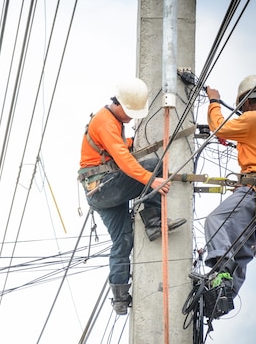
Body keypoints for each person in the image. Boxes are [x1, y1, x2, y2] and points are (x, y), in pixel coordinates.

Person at [78, 77, 186, 315]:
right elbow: (124, 160)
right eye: (129, 112)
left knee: (123, 240)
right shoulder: (106, 122)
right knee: (154, 165)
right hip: (105, 187)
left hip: (98, 192)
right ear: (118, 104)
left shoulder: (110, 121)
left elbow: (115, 148)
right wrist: (151, 179)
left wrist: (129, 142)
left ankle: (119, 297)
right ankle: (153, 221)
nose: (131, 117)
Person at [204, 75, 256, 296]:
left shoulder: (254, 119)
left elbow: (218, 127)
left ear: (247, 102)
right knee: (243, 248)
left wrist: (214, 101)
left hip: (253, 191)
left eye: (242, 108)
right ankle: (224, 297)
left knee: (217, 221)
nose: (242, 112)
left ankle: (221, 272)